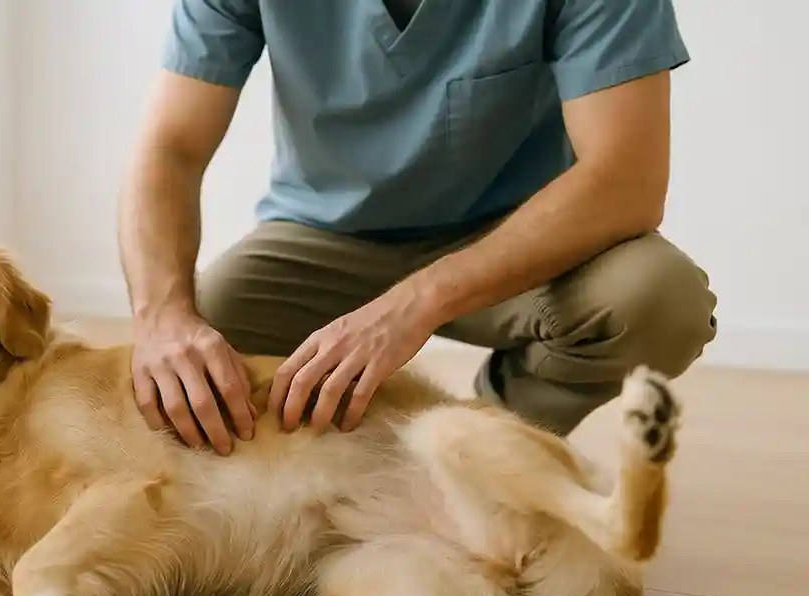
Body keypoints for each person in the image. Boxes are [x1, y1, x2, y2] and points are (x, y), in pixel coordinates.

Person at [117, 0, 718, 456]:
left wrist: (415, 303)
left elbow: (626, 180)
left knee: (658, 301)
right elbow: (169, 147)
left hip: (520, 240)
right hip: (323, 235)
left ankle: (487, 441)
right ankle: (364, 469)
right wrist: (161, 315)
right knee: (196, 362)